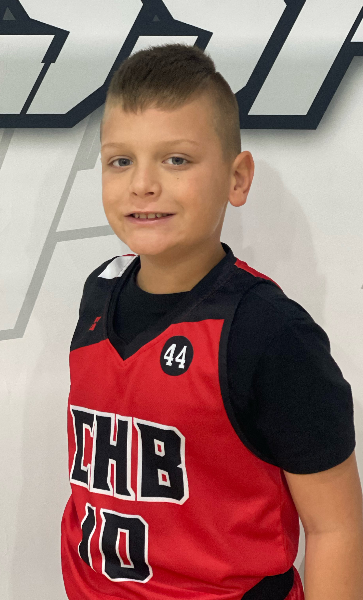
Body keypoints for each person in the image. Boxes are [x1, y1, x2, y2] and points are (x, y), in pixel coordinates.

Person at [61, 43, 362, 600]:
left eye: (176, 160)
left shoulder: (269, 332)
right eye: (120, 160)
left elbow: (335, 527)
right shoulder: (97, 293)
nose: (142, 184)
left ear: (237, 179)